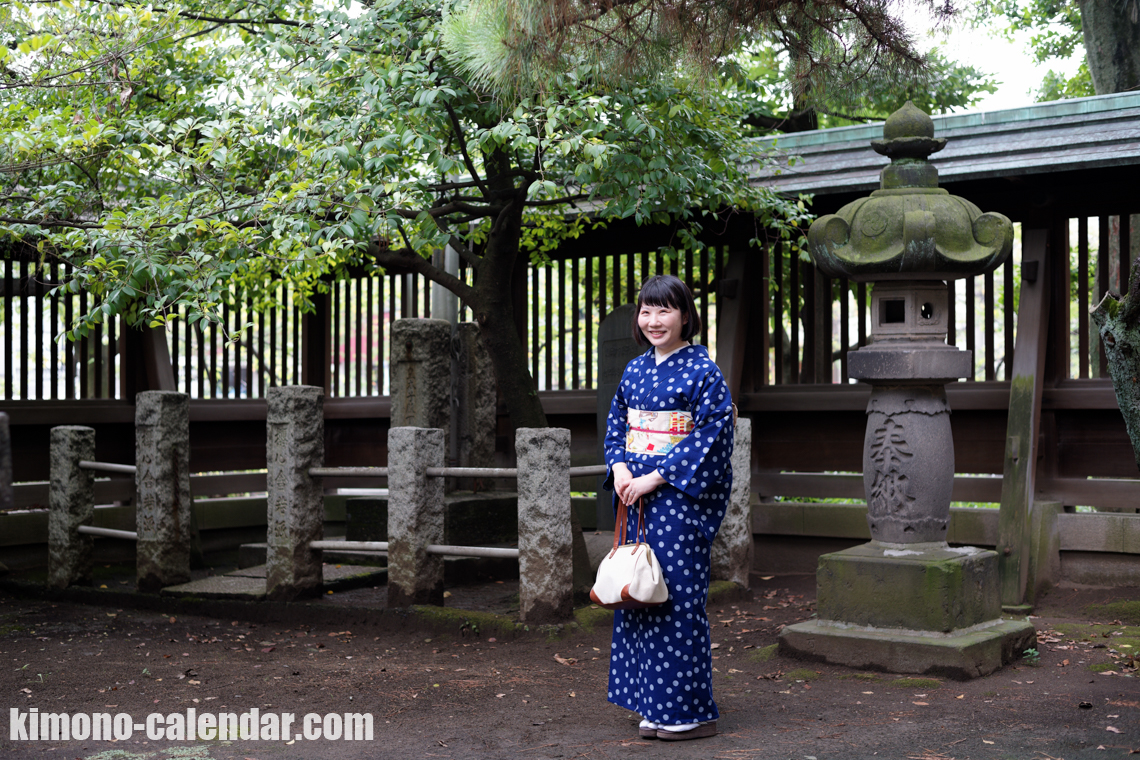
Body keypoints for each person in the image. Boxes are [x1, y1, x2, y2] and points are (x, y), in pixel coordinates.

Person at [602, 274, 734, 742]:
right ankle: (652, 705)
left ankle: (690, 711)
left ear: (685, 315)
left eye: (664, 310)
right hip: (635, 496)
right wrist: (619, 468)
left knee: (675, 597)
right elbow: (618, 421)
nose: (653, 320)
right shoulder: (635, 369)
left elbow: (713, 435)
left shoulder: (703, 370)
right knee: (638, 593)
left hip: (679, 501)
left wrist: (656, 477)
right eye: (646, 310)